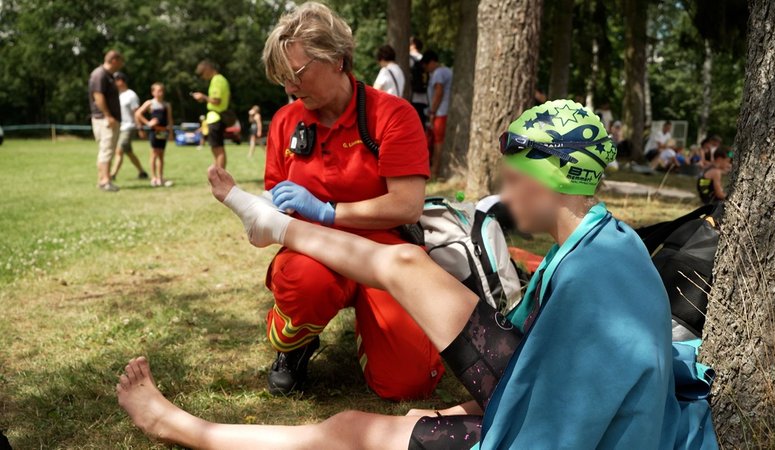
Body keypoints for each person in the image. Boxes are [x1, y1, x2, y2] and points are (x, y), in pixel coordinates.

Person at [118, 100, 709, 449]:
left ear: (548, 181)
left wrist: (491, 421)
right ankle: (273, 225)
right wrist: (481, 406)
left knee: (350, 430)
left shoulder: (593, 273)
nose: (503, 190)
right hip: (549, 399)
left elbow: (571, 423)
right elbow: (568, 369)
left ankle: (181, 428)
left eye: (511, 176)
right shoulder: (605, 240)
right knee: (404, 261)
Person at [258, 2, 441, 400]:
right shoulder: (286, 122)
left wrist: (329, 211)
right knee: (304, 284)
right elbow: (274, 196)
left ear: (338, 60)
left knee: (410, 384)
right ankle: (293, 345)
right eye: (282, 79)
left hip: (384, 249)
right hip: (314, 249)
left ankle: (372, 328)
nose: (289, 88)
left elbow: (407, 206)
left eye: (297, 74)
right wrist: (261, 209)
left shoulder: (392, 115)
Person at [88, 50, 125, 192]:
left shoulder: (108, 75)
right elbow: (98, 96)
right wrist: (108, 116)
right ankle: (105, 181)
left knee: (106, 150)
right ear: (114, 60)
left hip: (106, 119)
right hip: (105, 120)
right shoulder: (100, 74)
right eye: (121, 61)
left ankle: (102, 179)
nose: (122, 64)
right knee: (106, 151)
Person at [110, 72, 149, 181]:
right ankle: (142, 172)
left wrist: (140, 128)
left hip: (129, 127)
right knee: (128, 152)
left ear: (121, 81)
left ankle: (112, 174)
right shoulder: (118, 95)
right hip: (120, 127)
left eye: (115, 80)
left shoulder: (131, 95)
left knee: (119, 150)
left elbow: (136, 113)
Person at [192, 60, 230, 168]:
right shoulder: (220, 79)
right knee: (216, 148)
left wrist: (203, 97)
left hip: (216, 118)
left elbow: (216, 101)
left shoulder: (217, 80)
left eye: (202, 73)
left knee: (218, 149)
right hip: (217, 118)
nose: (202, 77)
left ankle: (220, 177)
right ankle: (218, 175)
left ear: (208, 69)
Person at [135, 83, 174, 187]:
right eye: (158, 91)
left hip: (163, 132)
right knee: (154, 154)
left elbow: (169, 120)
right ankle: (153, 178)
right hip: (154, 132)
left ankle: (160, 178)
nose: (160, 93)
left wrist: (170, 133)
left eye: (162, 90)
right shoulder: (150, 103)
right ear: (153, 92)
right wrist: (148, 123)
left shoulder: (166, 105)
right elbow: (138, 113)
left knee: (161, 155)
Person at [421, 50, 453, 178]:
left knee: (437, 142)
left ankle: (435, 170)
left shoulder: (438, 73)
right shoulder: (447, 71)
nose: (427, 70)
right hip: (442, 111)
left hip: (440, 112)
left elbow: (438, 92)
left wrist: (432, 111)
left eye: (426, 66)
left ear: (432, 62)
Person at [409, 36, 428, 125]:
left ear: (413, 45)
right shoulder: (423, 58)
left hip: (413, 95)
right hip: (424, 96)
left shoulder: (409, 58)